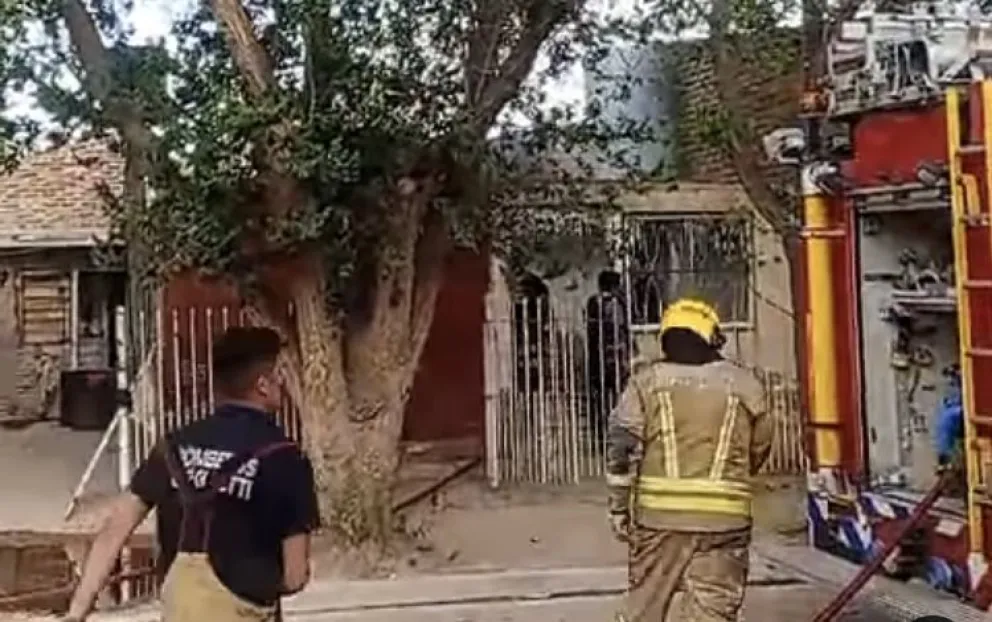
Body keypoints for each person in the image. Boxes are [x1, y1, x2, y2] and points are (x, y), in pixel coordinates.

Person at [64, 326, 320, 622]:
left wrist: (77, 612)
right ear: (263, 385)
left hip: (179, 609)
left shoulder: (174, 445)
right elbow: (295, 576)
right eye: (279, 374)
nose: (283, 382)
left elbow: (113, 532)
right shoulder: (286, 458)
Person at [605, 298, 771, 622]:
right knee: (713, 611)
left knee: (643, 608)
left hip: (659, 521)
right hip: (726, 521)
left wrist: (618, 507)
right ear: (714, 338)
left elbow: (620, 447)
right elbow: (760, 446)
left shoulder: (646, 382)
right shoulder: (746, 384)